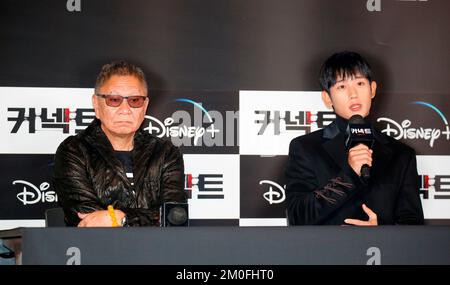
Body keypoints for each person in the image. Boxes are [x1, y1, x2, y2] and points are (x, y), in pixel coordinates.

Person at [285, 51, 424, 225]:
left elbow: (413, 225)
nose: (353, 94)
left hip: (382, 252)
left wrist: (382, 234)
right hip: (324, 251)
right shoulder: (306, 148)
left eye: (359, 83)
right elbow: (297, 216)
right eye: (341, 87)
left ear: (372, 89)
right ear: (327, 98)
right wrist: (349, 176)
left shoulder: (401, 154)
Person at [53, 60, 186, 227]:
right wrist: (148, 218)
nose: (125, 109)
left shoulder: (165, 153)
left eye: (135, 100)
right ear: (96, 104)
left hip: (157, 251)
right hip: (95, 251)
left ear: (144, 106)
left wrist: (121, 218)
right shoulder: (73, 151)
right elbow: (88, 219)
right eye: (114, 100)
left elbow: (175, 217)